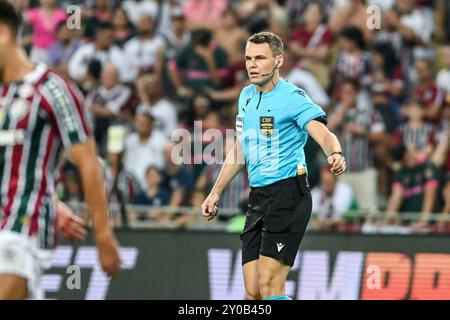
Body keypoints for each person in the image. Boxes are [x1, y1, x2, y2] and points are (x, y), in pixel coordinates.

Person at [201, 32, 346, 300]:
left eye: (260, 58)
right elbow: (241, 148)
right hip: (259, 198)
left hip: (288, 195)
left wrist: (334, 152)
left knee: (269, 284)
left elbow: (322, 132)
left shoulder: (292, 97)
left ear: (279, 60)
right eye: (248, 58)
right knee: (253, 292)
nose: (252, 65)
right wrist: (216, 191)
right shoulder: (245, 96)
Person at [0, 1, 121, 300]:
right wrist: (56, 204)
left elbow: (89, 164)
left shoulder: (53, 89)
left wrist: (103, 235)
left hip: (22, 228)